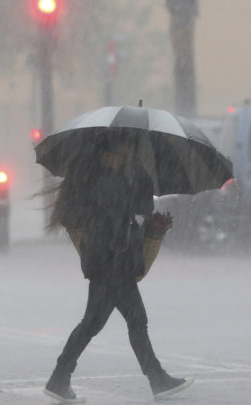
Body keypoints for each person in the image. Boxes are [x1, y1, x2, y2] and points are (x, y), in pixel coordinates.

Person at [43, 134, 194, 402]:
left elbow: (131, 214)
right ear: (108, 156)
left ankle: (60, 378)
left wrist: (138, 188)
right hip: (112, 265)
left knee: (104, 323)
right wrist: (139, 177)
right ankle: (156, 379)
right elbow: (136, 208)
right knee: (120, 323)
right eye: (123, 155)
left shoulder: (102, 181)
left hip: (110, 265)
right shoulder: (109, 183)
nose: (125, 159)